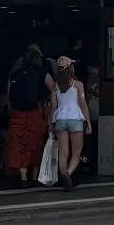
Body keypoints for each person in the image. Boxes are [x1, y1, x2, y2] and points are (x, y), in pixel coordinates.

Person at [4, 44, 53, 184]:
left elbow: (8, 96)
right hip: (35, 112)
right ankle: (35, 176)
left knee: (19, 145)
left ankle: (23, 176)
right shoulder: (42, 73)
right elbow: (54, 89)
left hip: (17, 114)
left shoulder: (15, 74)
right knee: (35, 143)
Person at [49, 54, 91, 189]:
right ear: (71, 68)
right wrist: (88, 122)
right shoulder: (78, 85)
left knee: (63, 152)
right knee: (76, 152)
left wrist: (51, 123)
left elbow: (53, 106)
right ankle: (68, 174)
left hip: (60, 119)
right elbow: (83, 104)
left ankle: (64, 178)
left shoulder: (55, 86)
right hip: (75, 119)